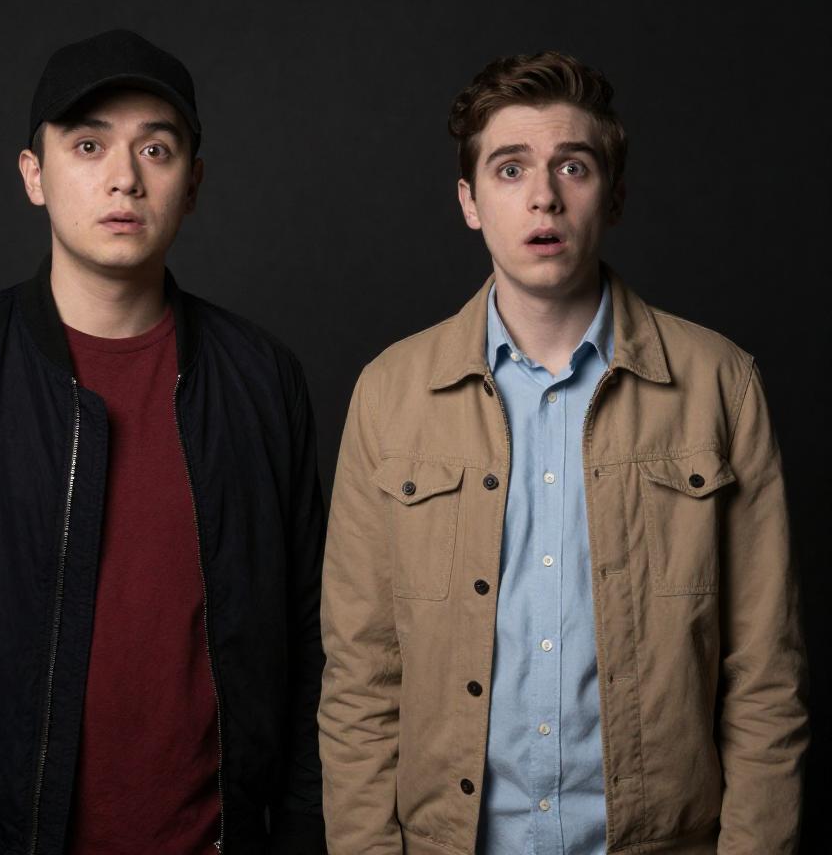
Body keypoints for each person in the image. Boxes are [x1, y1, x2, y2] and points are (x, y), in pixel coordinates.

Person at [0, 29, 327, 855]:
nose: (125, 177)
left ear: (193, 184)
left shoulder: (262, 381)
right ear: (34, 175)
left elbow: (314, 640)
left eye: (156, 149)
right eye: (89, 146)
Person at [318, 52, 808, 854]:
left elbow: (766, 677)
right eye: (510, 169)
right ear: (469, 202)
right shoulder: (389, 394)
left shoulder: (720, 384)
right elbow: (360, 678)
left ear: (614, 195)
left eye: (572, 167)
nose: (543, 196)